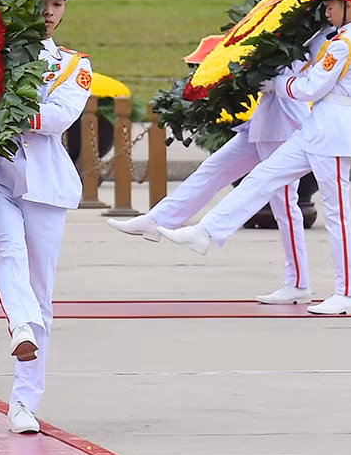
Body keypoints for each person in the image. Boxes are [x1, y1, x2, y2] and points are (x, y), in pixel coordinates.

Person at [162, 0, 351, 315]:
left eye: (332, 6)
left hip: (333, 134)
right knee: (263, 177)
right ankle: (207, 232)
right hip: (316, 128)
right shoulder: (337, 38)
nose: (327, 12)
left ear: (349, 5)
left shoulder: (347, 44)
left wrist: (278, 83)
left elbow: (309, 89)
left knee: (337, 214)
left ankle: (346, 293)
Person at [0, 0, 93, 434]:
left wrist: (1, 112)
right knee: (7, 255)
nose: (48, 10)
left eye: (57, 1)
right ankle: (19, 327)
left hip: (44, 185)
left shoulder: (73, 65)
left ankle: (24, 402)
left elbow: (59, 118)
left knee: (41, 293)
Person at [110, 48, 312, 305]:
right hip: (262, 122)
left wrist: (268, 79)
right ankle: (157, 220)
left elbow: (304, 77)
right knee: (212, 170)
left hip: (284, 125)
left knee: (284, 206)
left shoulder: (310, 32)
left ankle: (298, 283)